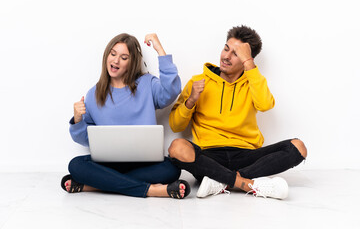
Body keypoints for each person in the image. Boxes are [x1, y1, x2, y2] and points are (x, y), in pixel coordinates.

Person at [167, 25, 307, 199]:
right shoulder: (198, 81)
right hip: (209, 157)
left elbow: (265, 105)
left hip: (247, 155)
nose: (226, 56)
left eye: (236, 54)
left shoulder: (253, 83)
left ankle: (220, 182)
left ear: (247, 59)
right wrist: (191, 101)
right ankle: (247, 184)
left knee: (298, 147)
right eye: (226, 49)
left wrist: (249, 64)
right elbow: (175, 125)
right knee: (177, 147)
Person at [61, 33, 190, 199]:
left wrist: (160, 50)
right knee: (76, 165)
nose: (115, 61)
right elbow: (87, 139)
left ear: (131, 62)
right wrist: (77, 120)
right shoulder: (94, 94)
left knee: (172, 169)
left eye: (123, 57)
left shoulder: (147, 83)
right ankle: (152, 190)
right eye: (113, 54)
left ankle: (95, 186)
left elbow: (171, 91)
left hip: (144, 163)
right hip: (108, 164)